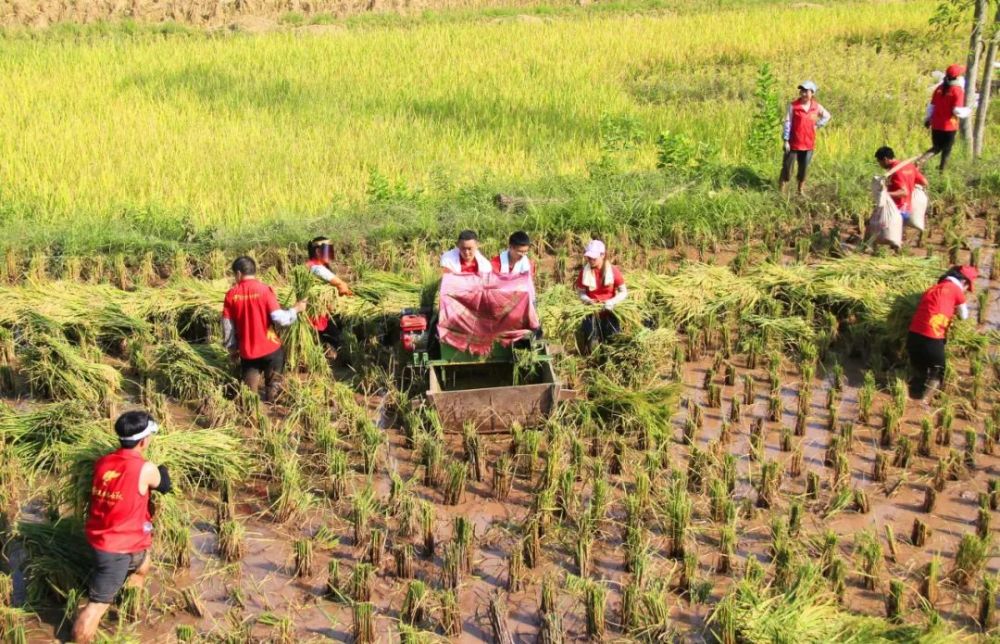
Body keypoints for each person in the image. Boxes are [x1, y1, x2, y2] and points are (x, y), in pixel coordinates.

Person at [72, 410, 171, 644]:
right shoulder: (145, 469)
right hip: (117, 548)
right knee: (95, 607)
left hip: (106, 538)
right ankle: (79, 638)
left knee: (144, 564)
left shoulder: (103, 462)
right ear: (144, 441)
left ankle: (129, 609)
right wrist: (163, 468)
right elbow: (164, 485)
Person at [222, 256, 306, 402]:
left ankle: (252, 417)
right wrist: (296, 309)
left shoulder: (231, 295)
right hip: (271, 350)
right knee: (274, 391)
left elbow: (227, 325)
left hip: (248, 353)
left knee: (249, 397)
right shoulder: (265, 290)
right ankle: (274, 413)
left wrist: (232, 348)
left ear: (239, 274)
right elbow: (280, 319)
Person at [907, 265, 977, 401]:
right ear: (964, 282)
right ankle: (923, 403)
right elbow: (964, 316)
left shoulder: (932, 289)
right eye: (968, 287)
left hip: (912, 336)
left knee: (919, 369)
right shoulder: (957, 290)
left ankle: (910, 394)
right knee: (938, 370)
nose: (967, 290)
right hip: (932, 338)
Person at [779, 80, 831, 196]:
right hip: (793, 143)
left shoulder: (816, 107)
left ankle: (800, 190)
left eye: (806, 91)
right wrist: (786, 140)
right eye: (801, 91)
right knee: (787, 168)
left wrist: (817, 125)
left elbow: (827, 116)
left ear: (812, 93)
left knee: (803, 169)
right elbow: (787, 122)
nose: (803, 94)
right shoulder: (793, 106)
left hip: (808, 144)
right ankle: (781, 192)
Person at [575, 239, 627, 350]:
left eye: (594, 258)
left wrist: (612, 302)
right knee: (592, 345)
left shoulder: (613, 271)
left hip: (609, 312)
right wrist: (587, 299)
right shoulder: (584, 272)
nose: (590, 260)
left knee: (612, 343)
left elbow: (623, 292)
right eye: (589, 258)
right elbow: (581, 293)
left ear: (602, 255)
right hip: (591, 313)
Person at [917, 64, 969, 172]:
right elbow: (957, 111)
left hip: (936, 123)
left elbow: (931, 106)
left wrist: (927, 119)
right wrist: (968, 111)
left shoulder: (939, 88)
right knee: (947, 149)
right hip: (949, 126)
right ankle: (942, 171)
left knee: (936, 147)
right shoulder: (957, 90)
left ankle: (922, 159)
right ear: (958, 77)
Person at [305, 236, 353, 346]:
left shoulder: (313, 265)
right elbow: (341, 285)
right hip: (317, 317)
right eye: (327, 250)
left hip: (321, 313)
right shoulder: (317, 268)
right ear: (317, 251)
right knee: (341, 341)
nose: (330, 254)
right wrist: (351, 294)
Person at [875, 146, 928, 225]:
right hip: (907, 209)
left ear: (885, 159)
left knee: (878, 229)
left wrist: (884, 194)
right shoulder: (909, 166)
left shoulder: (895, 171)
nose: (880, 164)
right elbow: (924, 182)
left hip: (897, 210)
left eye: (879, 161)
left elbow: (904, 192)